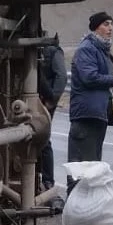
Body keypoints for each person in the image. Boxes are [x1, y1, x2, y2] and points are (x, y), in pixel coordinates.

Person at [67, 12, 113, 194]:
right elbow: (89, 77)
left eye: (111, 24)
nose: (110, 28)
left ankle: (86, 212)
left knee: (92, 167)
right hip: (86, 115)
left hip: (96, 115)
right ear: (96, 27)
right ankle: (76, 212)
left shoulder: (100, 50)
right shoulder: (87, 49)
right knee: (82, 168)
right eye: (106, 24)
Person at [38, 35, 67, 191]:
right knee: (40, 139)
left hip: (44, 99)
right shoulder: (50, 50)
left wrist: (52, 99)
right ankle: (45, 181)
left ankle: (48, 181)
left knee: (42, 139)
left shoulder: (52, 51)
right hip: (41, 98)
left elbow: (61, 76)